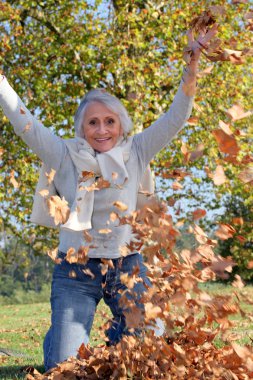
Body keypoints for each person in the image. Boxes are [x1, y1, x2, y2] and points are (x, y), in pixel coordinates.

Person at [0, 25, 218, 371]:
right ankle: (59, 335)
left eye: (109, 121)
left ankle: (121, 330)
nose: (102, 130)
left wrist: (192, 65)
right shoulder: (64, 154)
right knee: (63, 366)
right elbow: (23, 121)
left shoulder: (138, 150)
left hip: (127, 266)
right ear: (81, 129)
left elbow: (177, 117)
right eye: (93, 123)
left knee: (148, 356)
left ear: (121, 125)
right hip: (75, 271)